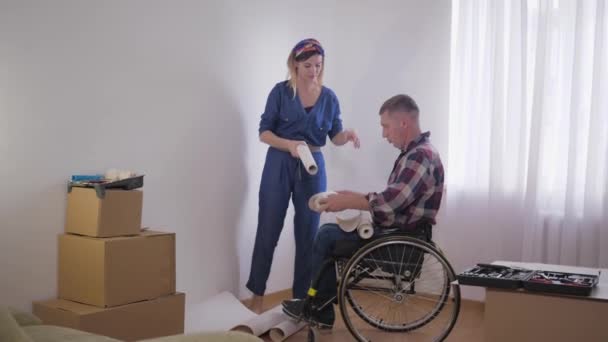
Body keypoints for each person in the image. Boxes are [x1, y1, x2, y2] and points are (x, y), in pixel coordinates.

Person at [282, 94, 445, 329]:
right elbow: (394, 199)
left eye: (385, 126)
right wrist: (352, 195)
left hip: (400, 240)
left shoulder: (419, 155)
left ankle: (319, 308)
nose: (384, 134)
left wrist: (349, 202)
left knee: (326, 235)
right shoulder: (418, 152)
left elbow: (391, 202)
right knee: (330, 232)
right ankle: (320, 307)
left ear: (403, 123)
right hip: (401, 232)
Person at [246, 38, 360, 313]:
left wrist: (348, 136)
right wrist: (289, 145)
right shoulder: (280, 93)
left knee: (309, 235)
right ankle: (256, 299)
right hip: (279, 163)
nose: (313, 71)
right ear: (294, 64)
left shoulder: (329, 97)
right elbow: (264, 132)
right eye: (307, 65)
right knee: (268, 230)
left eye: (318, 65)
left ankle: (300, 302)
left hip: (313, 167)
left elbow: (335, 136)